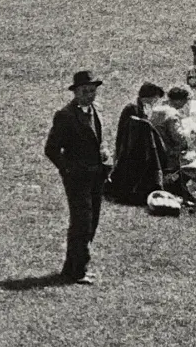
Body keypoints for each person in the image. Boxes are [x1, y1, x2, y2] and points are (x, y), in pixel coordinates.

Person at [44, 69, 109, 284]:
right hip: (78, 178)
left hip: (96, 175)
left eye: (92, 91)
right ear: (75, 92)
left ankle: (74, 267)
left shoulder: (95, 111)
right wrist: (68, 170)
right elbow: (51, 149)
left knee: (92, 222)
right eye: (85, 91)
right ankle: (77, 270)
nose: (89, 95)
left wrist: (103, 155)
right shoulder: (65, 116)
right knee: (81, 222)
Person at [107, 83, 167, 205]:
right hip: (130, 145)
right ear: (150, 96)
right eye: (155, 98)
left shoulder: (142, 107)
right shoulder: (132, 108)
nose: (156, 101)